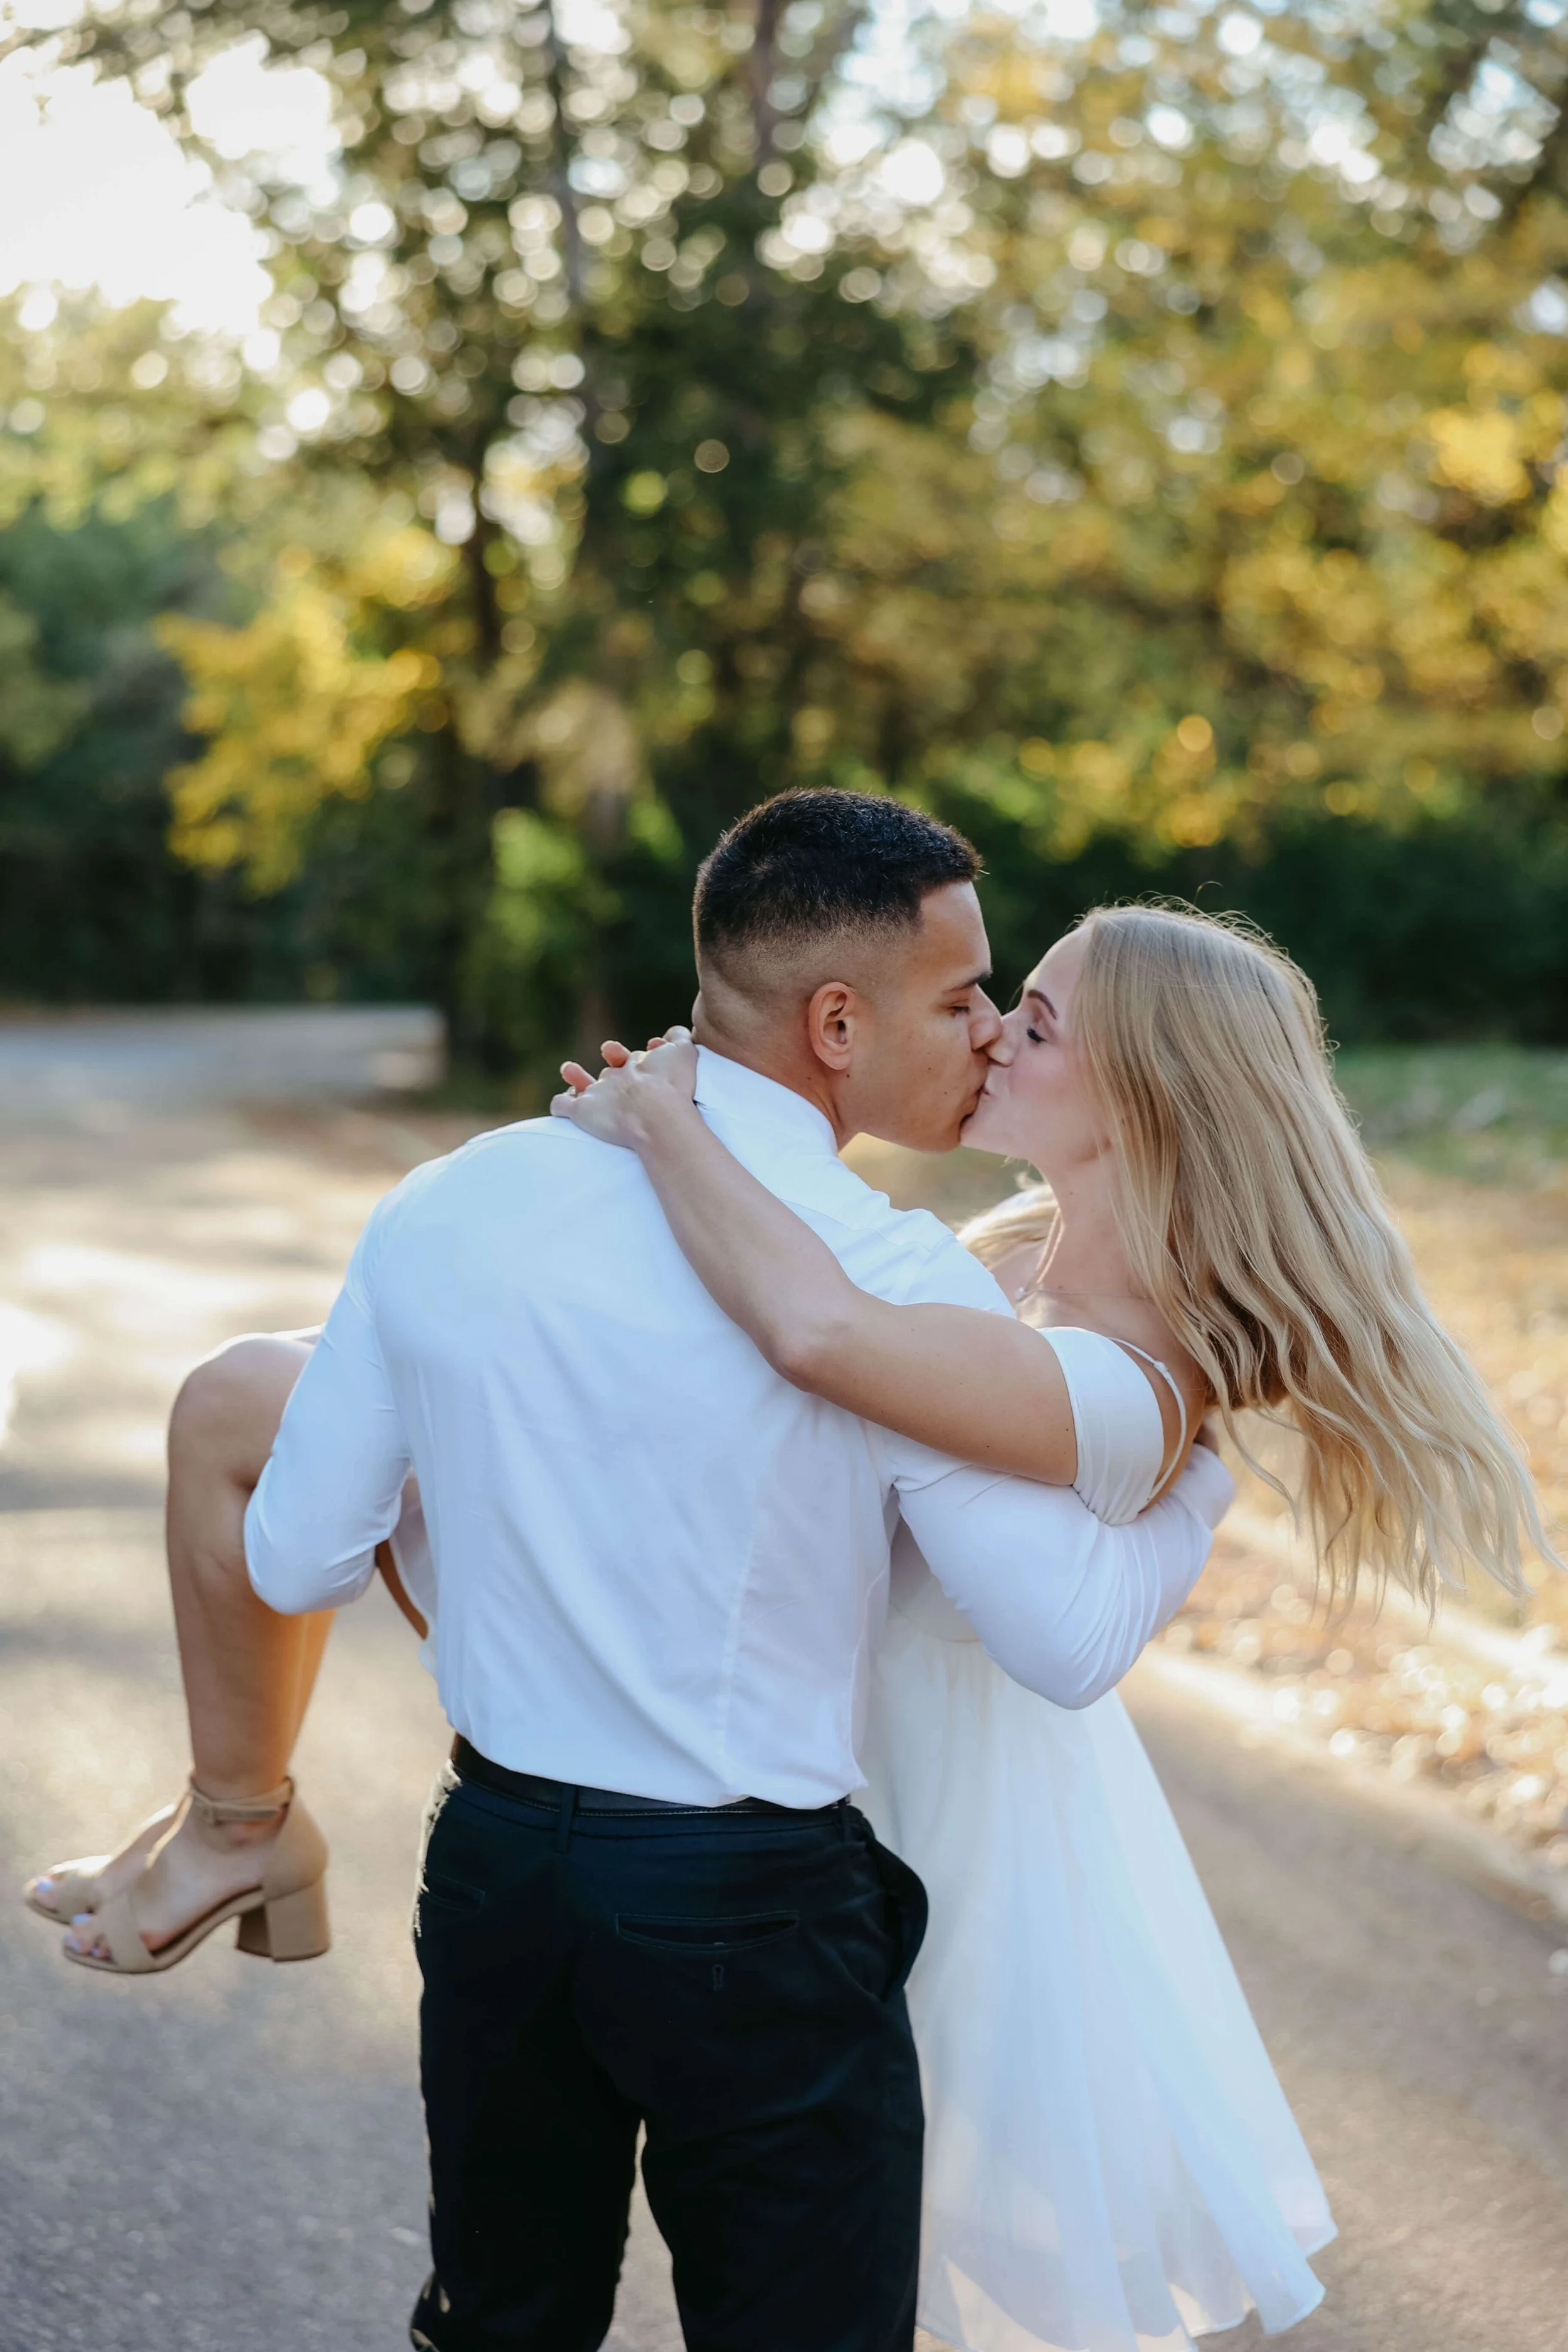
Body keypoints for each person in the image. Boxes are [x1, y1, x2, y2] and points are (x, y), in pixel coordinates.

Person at [28, 789, 1236, 2352]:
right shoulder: (891, 1280)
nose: (988, 1031)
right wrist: (1199, 1474)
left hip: (495, 1879)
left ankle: (233, 1828)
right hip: (751, 1912)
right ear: (835, 1024)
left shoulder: (454, 1198)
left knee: (501, 2324)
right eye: (959, 1000)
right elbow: (1054, 1639)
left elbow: (301, 1557)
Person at [547, 895, 1547, 2352]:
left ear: (1141, 1092)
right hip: (809, 1740)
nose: (993, 1032)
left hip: (954, 1819)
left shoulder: (1152, 1357)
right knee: (803, 2243)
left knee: (883, 2254)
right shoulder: (1005, 1254)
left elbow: (867, 1394)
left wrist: (668, 1131)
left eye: (1040, 1020)